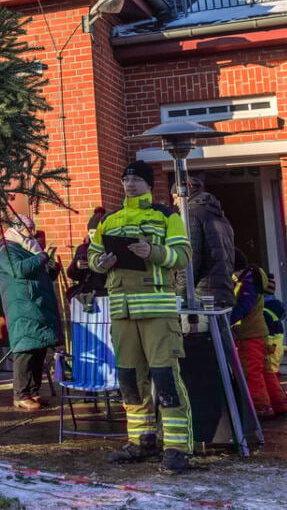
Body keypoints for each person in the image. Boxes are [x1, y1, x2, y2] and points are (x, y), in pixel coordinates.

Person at [89, 160, 193, 474]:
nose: (130, 184)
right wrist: (101, 262)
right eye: (126, 180)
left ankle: (177, 449)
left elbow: (183, 256)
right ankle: (141, 440)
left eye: (136, 180)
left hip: (158, 311)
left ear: (149, 184)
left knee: (165, 379)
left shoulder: (166, 216)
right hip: (122, 311)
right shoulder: (109, 220)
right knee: (129, 381)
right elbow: (92, 257)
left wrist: (154, 253)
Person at [0, 214, 59, 411]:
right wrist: (42, 256)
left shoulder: (28, 248)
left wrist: (51, 266)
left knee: (39, 348)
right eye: (28, 228)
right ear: (17, 228)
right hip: (21, 307)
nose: (32, 232)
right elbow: (20, 271)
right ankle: (21, 394)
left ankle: (33, 391)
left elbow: (40, 273)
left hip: (36, 306)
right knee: (25, 350)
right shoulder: (7, 250)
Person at [174, 173, 236, 306]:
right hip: (223, 294)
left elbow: (190, 262)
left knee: (198, 328)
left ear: (183, 196)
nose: (174, 203)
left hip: (201, 298)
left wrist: (180, 299)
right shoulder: (221, 217)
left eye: (175, 198)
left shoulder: (190, 216)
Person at [230, 250, 275, 418]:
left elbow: (244, 306)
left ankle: (260, 407)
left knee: (251, 372)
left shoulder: (246, 282)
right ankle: (278, 403)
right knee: (265, 370)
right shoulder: (255, 277)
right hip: (259, 332)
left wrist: (230, 317)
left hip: (249, 334)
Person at [67, 207, 109, 305]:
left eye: (96, 233)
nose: (93, 236)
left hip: (106, 294)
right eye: (91, 233)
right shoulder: (82, 248)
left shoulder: (111, 248)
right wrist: (76, 266)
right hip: (87, 294)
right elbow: (71, 274)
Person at [262, 276, 287, 416]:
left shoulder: (263, 309)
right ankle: (279, 398)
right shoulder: (278, 305)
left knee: (270, 373)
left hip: (269, 343)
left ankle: (277, 400)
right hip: (278, 344)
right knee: (275, 371)